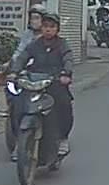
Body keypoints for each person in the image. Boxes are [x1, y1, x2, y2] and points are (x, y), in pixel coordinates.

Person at [9, 12, 74, 156]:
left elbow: (68, 58)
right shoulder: (35, 44)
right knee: (17, 105)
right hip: (34, 80)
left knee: (64, 104)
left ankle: (63, 138)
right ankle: (20, 140)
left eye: (52, 26)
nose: (48, 29)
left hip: (55, 81)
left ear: (57, 29)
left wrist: (66, 73)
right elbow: (22, 57)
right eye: (45, 26)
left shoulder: (62, 44)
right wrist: (14, 72)